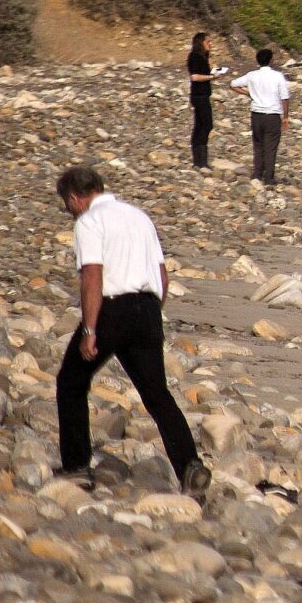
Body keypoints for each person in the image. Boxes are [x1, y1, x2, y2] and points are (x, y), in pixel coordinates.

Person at [53, 164, 208, 497]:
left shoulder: (90, 221)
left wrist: (90, 329)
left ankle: (77, 467)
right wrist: (150, 314)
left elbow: (92, 276)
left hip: (112, 308)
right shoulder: (139, 217)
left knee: (71, 381)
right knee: (157, 395)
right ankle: (189, 465)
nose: (69, 212)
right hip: (149, 307)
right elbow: (162, 276)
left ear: (76, 198)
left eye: (67, 205)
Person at [231, 48, 292, 186]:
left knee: (258, 145)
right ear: (271, 60)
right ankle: (269, 177)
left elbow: (233, 84)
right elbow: (285, 97)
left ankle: (257, 173)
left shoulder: (252, 75)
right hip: (272, 115)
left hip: (256, 114)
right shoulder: (277, 76)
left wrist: (248, 94)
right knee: (270, 147)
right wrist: (286, 116)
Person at [185, 32, 228, 170]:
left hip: (203, 94)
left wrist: (213, 67)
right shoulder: (194, 57)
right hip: (199, 95)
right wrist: (212, 78)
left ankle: (199, 160)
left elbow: (208, 70)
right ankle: (200, 160)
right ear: (200, 42)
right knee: (206, 125)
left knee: (201, 125)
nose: (210, 44)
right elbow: (195, 77)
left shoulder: (203, 57)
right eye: (207, 42)